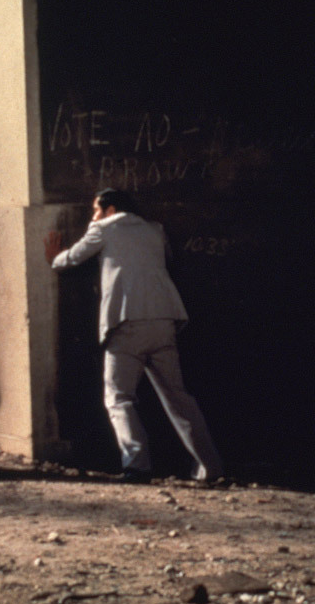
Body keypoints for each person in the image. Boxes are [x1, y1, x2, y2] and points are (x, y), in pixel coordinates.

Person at [44, 189, 223, 483]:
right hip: (164, 319)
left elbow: (72, 259)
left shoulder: (103, 228)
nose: (93, 216)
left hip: (127, 323)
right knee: (178, 398)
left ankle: (137, 464)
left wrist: (54, 257)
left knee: (118, 397)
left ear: (110, 209)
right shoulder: (155, 230)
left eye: (96, 210)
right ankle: (210, 467)